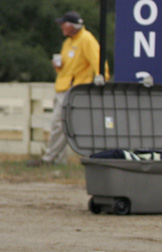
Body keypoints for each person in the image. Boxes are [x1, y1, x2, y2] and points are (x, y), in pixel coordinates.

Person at [31, 11, 106, 166]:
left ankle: (49, 159)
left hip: (73, 90)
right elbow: (68, 66)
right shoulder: (68, 42)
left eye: (63, 24)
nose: (61, 27)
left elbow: (98, 60)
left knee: (60, 123)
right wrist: (58, 66)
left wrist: (101, 76)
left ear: (72, 25)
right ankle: (59, 160)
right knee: (61, 125)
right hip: (62, 88)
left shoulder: (86, 40)